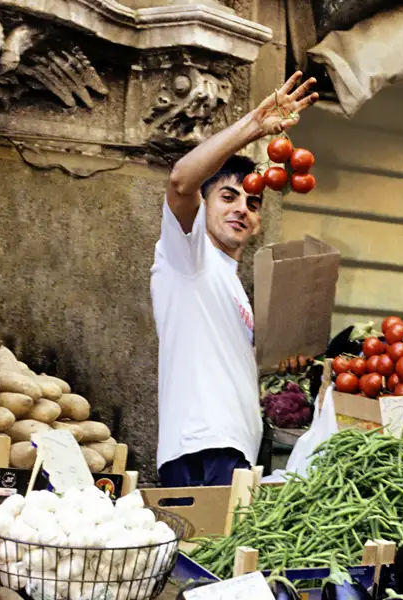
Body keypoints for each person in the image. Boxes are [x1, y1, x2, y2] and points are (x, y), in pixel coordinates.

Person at [151, 71, 319, 488]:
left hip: (234, 449)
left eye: (253, 203)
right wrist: (253, 126)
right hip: (202, 448)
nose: (242, 209)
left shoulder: (233, 284)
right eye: (228, 197)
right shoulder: (186, 255)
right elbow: (180, 179)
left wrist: (280, 358)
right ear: (204, 202)